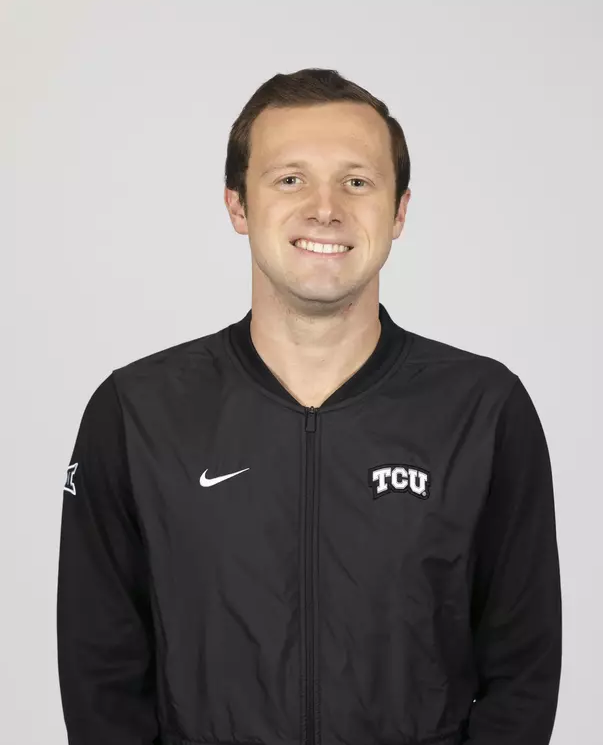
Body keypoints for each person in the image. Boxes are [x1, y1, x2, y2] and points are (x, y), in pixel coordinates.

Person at [57, 68, 562, 745]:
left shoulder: (482, 409)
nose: (325, 207)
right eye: (289, 178)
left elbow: (522, 669)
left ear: (399, 210)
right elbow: (101, 674)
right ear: (237, 205)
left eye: (356, 181)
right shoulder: (136, 412)